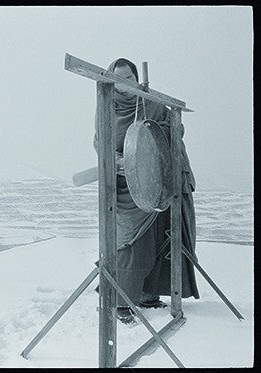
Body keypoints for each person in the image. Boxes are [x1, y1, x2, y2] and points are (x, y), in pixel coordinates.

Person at [93, 58, 200, 325]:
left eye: (128, 78)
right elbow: (100, 142)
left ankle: (147, 294)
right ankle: (120, 302)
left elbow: (174, 130)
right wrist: (120, 161)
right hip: (124, 187)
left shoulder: (152, 103)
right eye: (116, 78)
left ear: (137, 79)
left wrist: (152, 146)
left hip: (156, 183)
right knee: (132, 244)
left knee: (158, 238)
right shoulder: (107, 106)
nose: (122, 83)